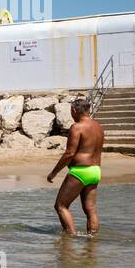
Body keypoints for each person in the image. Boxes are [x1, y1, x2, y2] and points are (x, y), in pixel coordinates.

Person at [47, 97, 104, 235]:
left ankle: (70, 238)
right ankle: (92, 242)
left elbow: (69, 153)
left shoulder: (77, 127)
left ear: (74, 110)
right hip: (95, 170)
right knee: (90, 210)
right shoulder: (98, 127)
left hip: (80, 171)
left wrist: (53, 173)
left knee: (61, 205)